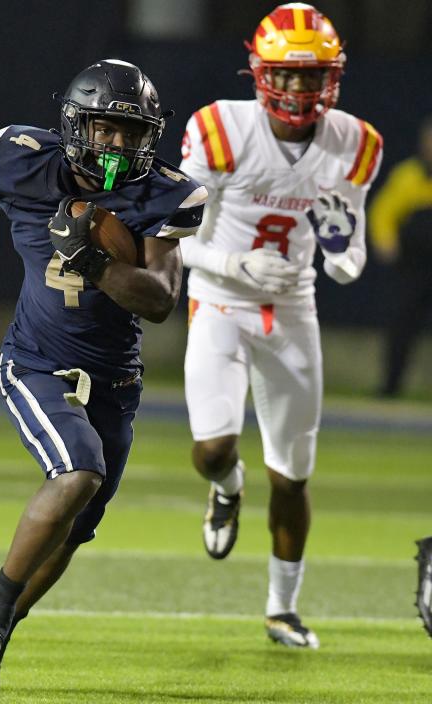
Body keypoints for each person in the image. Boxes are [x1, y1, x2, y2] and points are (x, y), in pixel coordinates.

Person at [0, 59, 206, 690]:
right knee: (78, 472)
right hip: (36, 362)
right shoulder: (25, 158)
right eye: (105, 129)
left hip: (116, 378)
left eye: (130, 132)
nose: (116, 144)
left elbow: (161, 300)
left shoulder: (166, 192)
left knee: (78, 526)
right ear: (76, 125)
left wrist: (96, 266)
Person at [178, 3, 382, 648]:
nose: (299, 89)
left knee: (293, 472)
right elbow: (170, 237)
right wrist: (233, 260)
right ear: (259, 73)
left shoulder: (357, 142)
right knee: (213, 450)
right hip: (219, 299)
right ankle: (227, 488)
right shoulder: (219, 128)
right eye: (286, 76)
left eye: (312, 75)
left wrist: (337, 245)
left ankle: (282, 607)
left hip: (293, 310)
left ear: (334, 75)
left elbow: (349, 261)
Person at [368, 116, 432, 398]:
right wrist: (385, 242)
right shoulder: (408, 174)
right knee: (402, 324)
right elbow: (383, 211)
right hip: (414, 265)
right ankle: (391, 386)